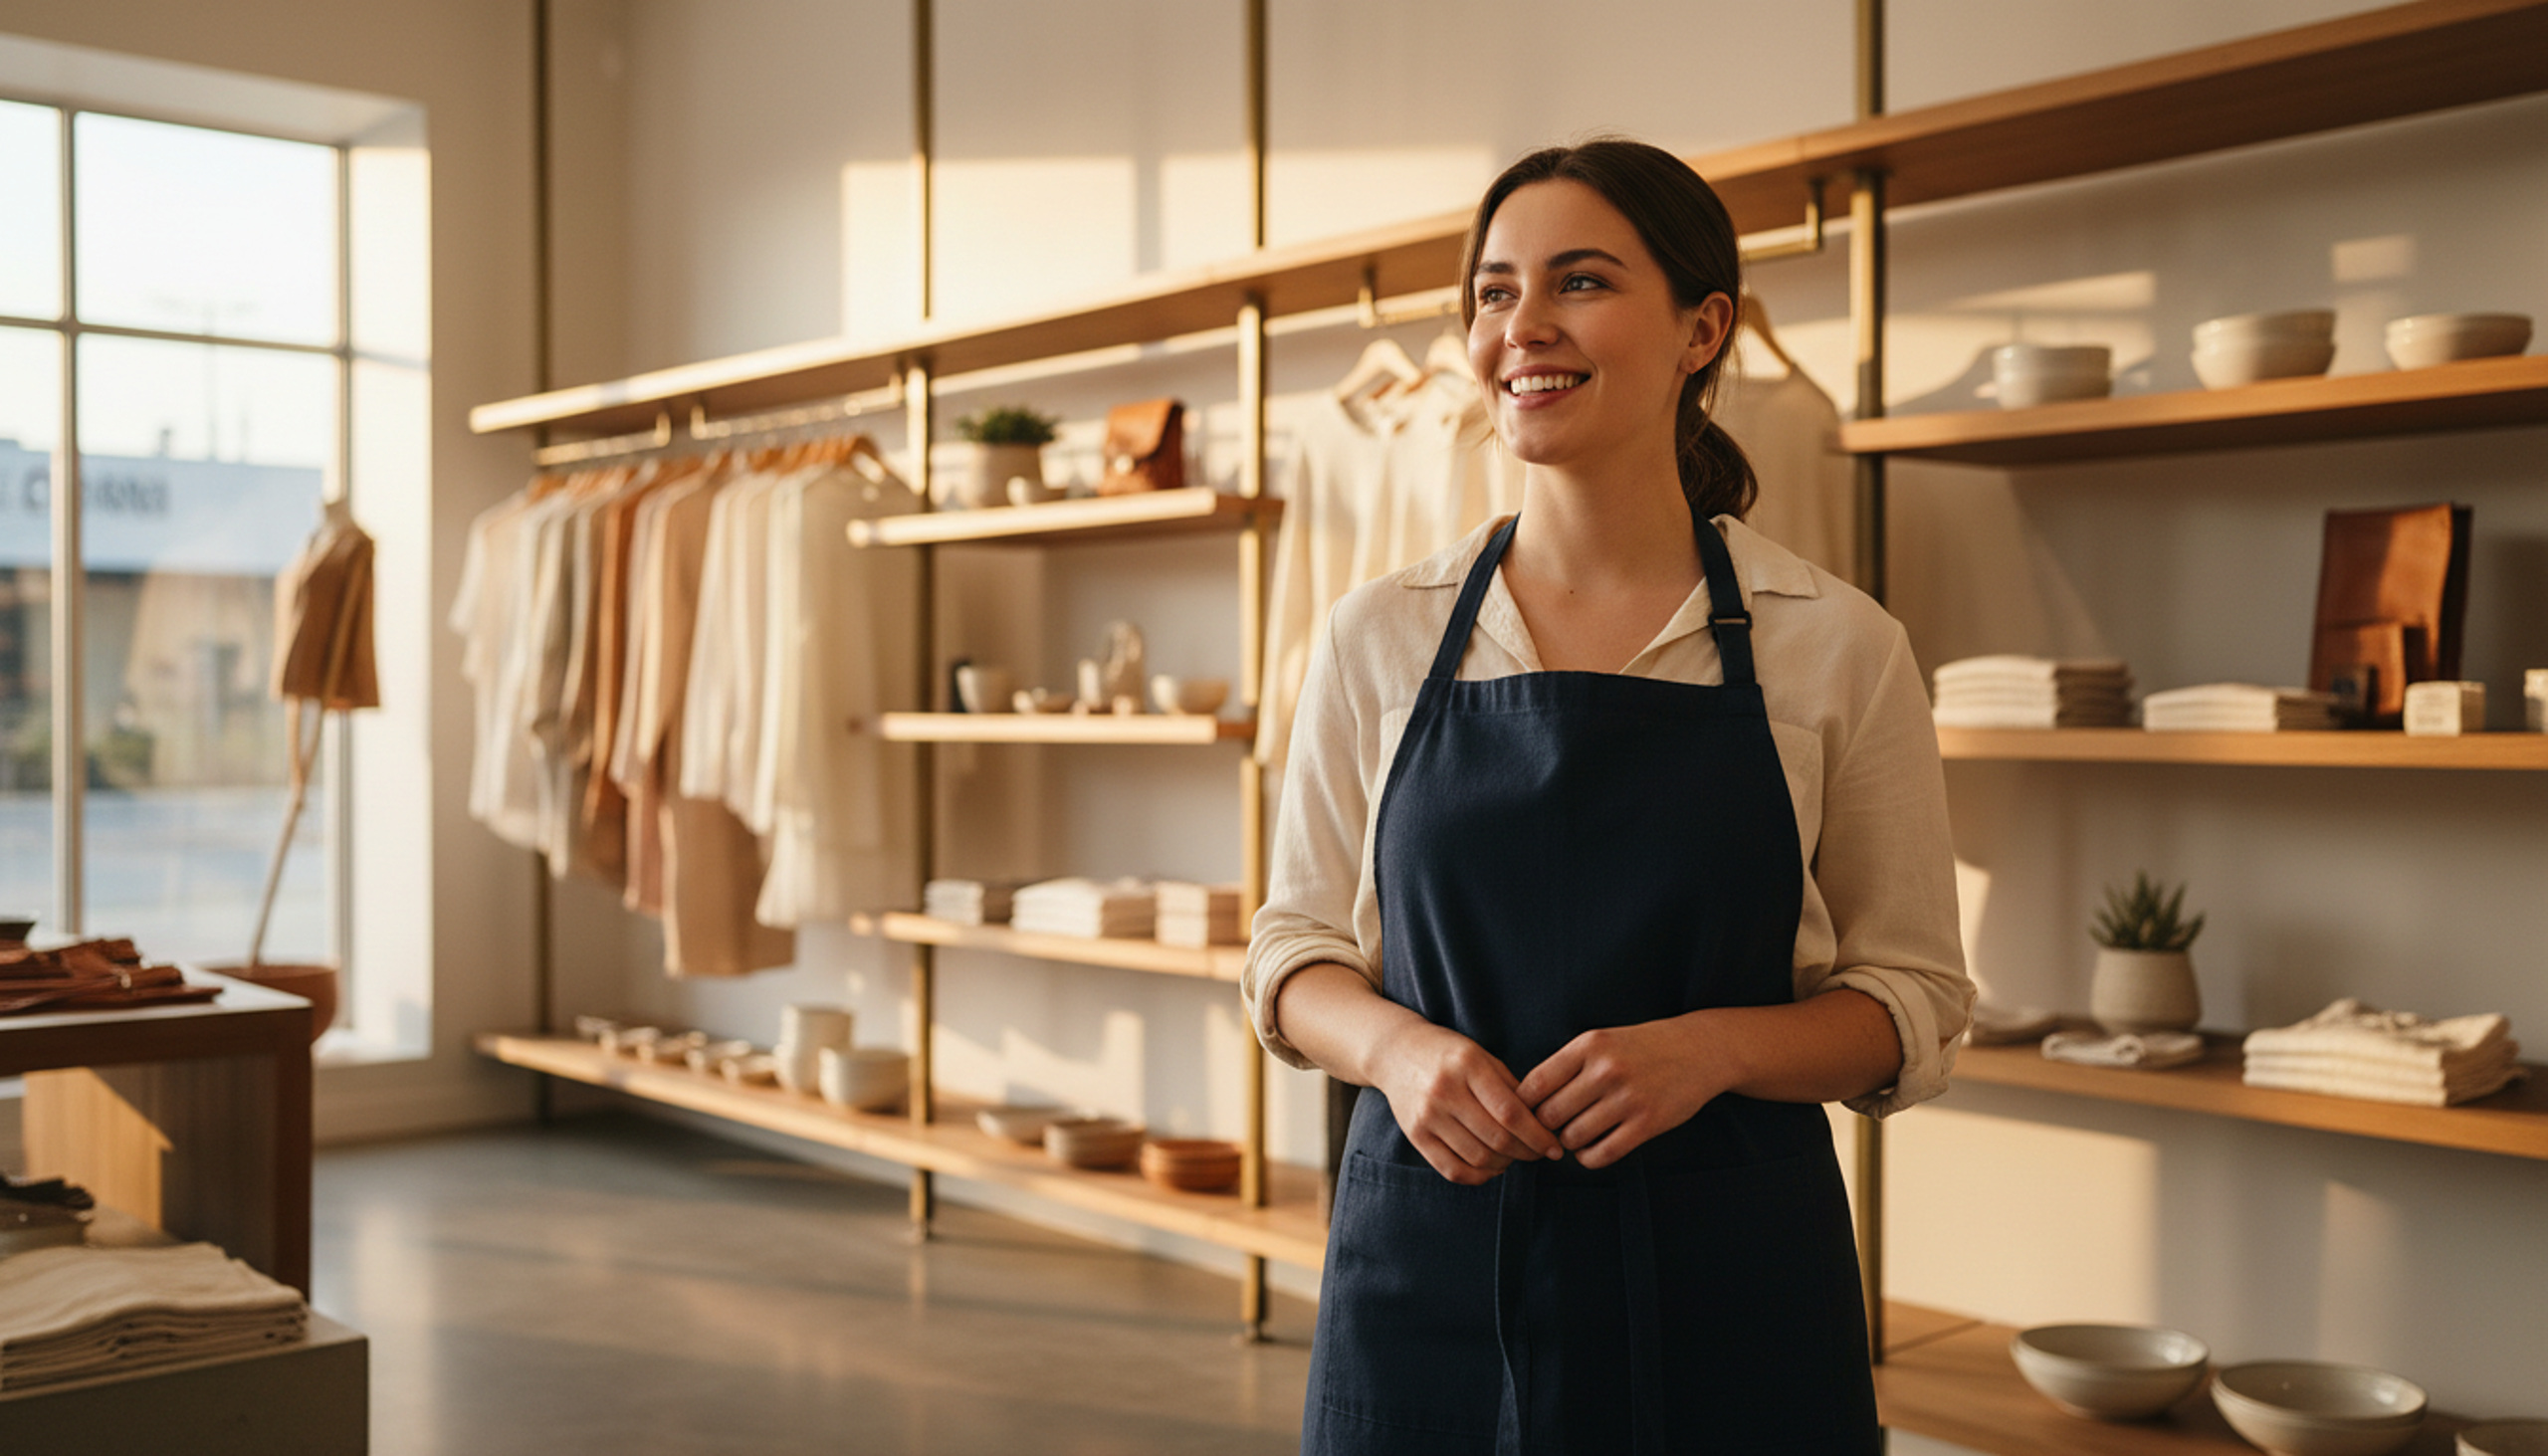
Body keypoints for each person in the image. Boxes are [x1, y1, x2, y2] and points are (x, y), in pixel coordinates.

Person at [1240, 137, 1974, 1455]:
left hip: (1732, 1280)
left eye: (1579, 283)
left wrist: (1715, 1050)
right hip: (1429, 1269)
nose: (1523, 327)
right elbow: (1291, 955)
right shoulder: (1379, 634)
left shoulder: (1836, 644)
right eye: (1492, 290)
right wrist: (1399, 1054)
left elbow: (1913, 999)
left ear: (1704, 331)